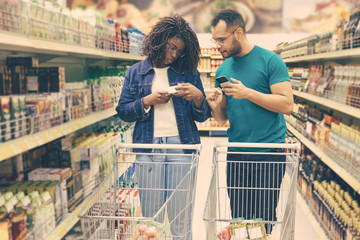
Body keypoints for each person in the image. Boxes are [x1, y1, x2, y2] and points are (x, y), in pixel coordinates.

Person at [116, 14, 211, 239]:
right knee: (152, 219)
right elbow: (123, 111)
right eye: (171, 47)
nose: (174, 54)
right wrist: (147, 101)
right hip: (148, 149)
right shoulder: (135, 72)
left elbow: (202, 115)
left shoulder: (188, 72)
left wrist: (199, 96)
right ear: (159, 40)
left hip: (182, 147)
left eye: (179, 50)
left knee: (181, 216)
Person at [206, 9, 294, 234]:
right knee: (239, 219)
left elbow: (287, 105)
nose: (218, 46)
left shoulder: (271, 61)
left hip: (268, 153)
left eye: (221, 39)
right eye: (215, 40)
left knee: (263, 220)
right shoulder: (223, 68)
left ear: (238, 33)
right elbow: (224, 118)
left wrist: (249, 93)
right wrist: (216, 107)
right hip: (236, 153)